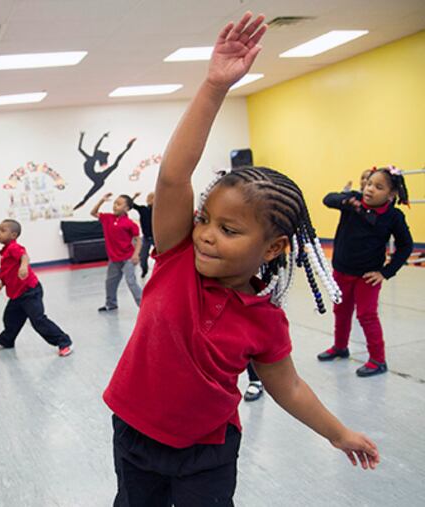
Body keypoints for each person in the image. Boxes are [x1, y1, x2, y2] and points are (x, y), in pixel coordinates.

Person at [102, 14, 379, 506]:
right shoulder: (176, 257)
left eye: (228, 230)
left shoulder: (264, 319)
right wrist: (214, 86)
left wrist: (338, 433)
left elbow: (288, 386)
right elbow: (172, 178)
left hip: (207, 450)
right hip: (135, 433)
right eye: (205, 218)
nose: (206, 234)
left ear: (272, 249)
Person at [318, 166, 413, 377]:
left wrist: (386, 272)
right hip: (341, 271)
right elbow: (328, 199)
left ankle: (378, 360)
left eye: (378, 187)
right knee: (341, 312)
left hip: (367, 278)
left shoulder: (393, 216)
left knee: (366, 315)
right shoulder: (352, 201)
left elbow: (406, 245)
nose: (370, 189)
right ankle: (340, 347)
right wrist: (344, 199)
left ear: (391, 194)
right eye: (369, 183)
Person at [0, 219, 73, 356]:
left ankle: (64, 342)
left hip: (29, 291)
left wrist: (23, 266)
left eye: (2, 231)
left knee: (38, 320)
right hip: (17, 294)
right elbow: (7, 270)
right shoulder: (5, 251)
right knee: (10, 318)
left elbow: (24, 256)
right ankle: (6, 341)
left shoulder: (14, 248)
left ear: (13, 235)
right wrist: (2, 283)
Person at [91, 193, 142, 311]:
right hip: (114, 259)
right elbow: (93, 213)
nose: (115, 206)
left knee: (131, 282)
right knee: (110, 283)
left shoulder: (130, 224)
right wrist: (101, 200)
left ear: (127, 209)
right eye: (115, 203)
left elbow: (138, 240)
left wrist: (136, 254)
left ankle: (144, 305)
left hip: (128, 258)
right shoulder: (108, 218)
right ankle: (111, 304)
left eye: (119, 204)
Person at [73, 132, 136, 210]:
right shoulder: (90, 158)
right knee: (114, 165)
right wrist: (83, 136)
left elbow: (95, 147)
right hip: (97, 177)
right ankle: (76, 207)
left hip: (98, 179)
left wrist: (102, 137)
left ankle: (127, 148)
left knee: (115, 165)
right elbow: (80, 148)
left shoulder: (91, 159)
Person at [130, 191, 154, 278]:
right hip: (146, 237)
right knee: (143, 256)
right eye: (150, 198)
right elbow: (131, 205)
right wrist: (134, 196)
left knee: (161, 255)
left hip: (156, 237)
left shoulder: (159, 210)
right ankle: (144, 270)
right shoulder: (143, 209)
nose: (152, 200)